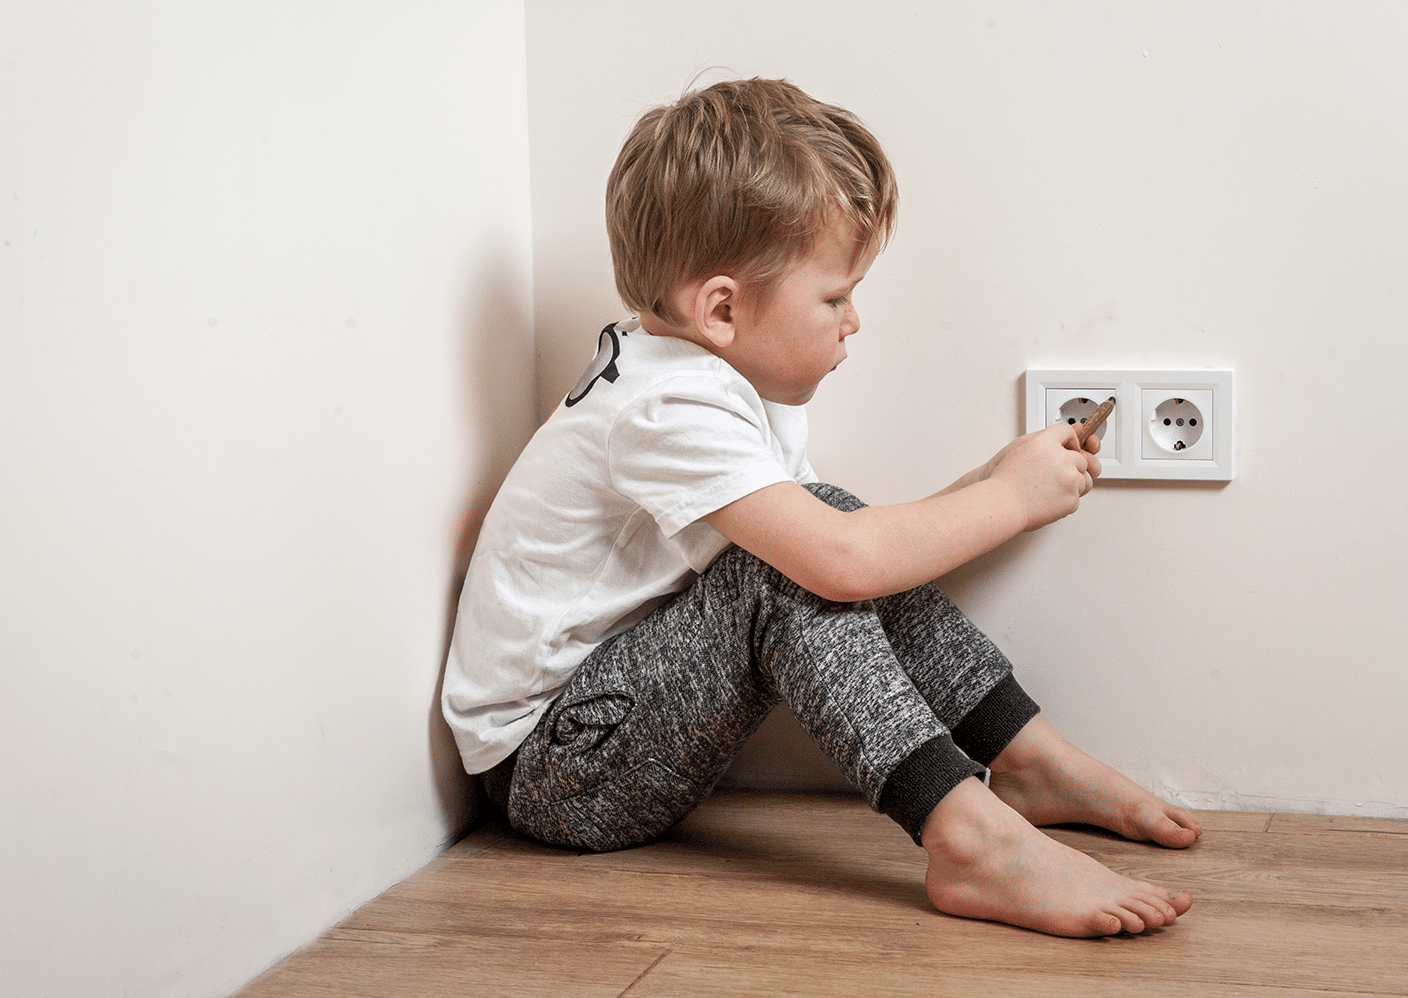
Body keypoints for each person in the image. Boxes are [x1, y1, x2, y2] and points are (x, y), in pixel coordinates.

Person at [442, 77, 1201, 938]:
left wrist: (992, 478)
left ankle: (1029, 761)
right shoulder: (663, 409)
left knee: (819, 519)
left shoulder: (705, 377)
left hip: (608, 720)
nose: (854, 322)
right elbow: (837, 563)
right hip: (557, 766)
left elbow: (847, 542)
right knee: (793, 568)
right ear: (722, 309)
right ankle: (968, 837)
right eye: (836, 296)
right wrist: (1008, 503)